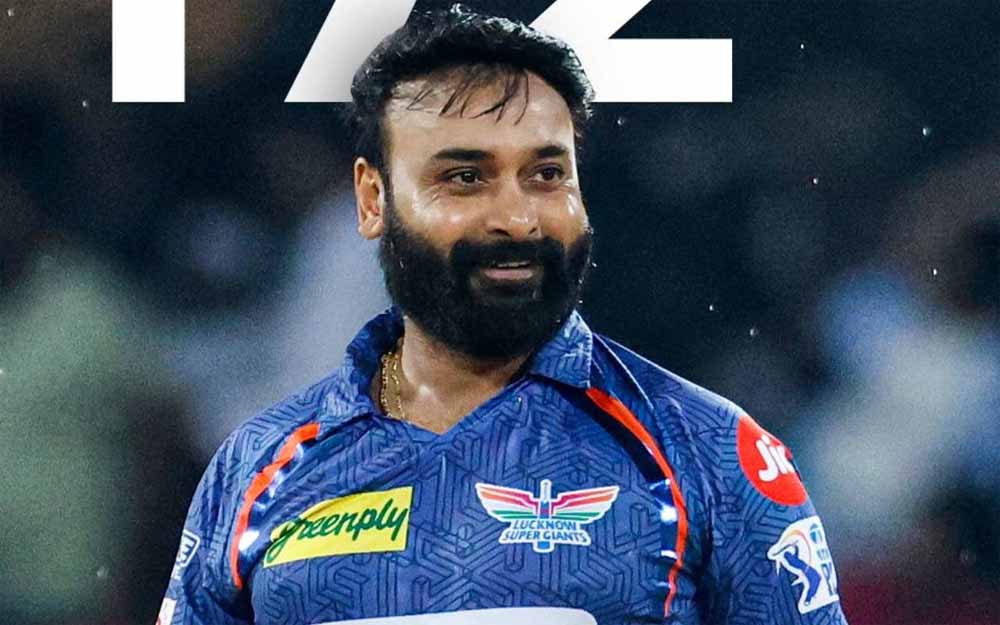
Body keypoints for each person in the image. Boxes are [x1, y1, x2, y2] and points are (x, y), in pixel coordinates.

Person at [157, 6, 848, 624]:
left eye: (547, 174)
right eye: (465, 177)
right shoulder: (257, 467)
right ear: (373, 200)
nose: (517, 218)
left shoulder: (709, 454)